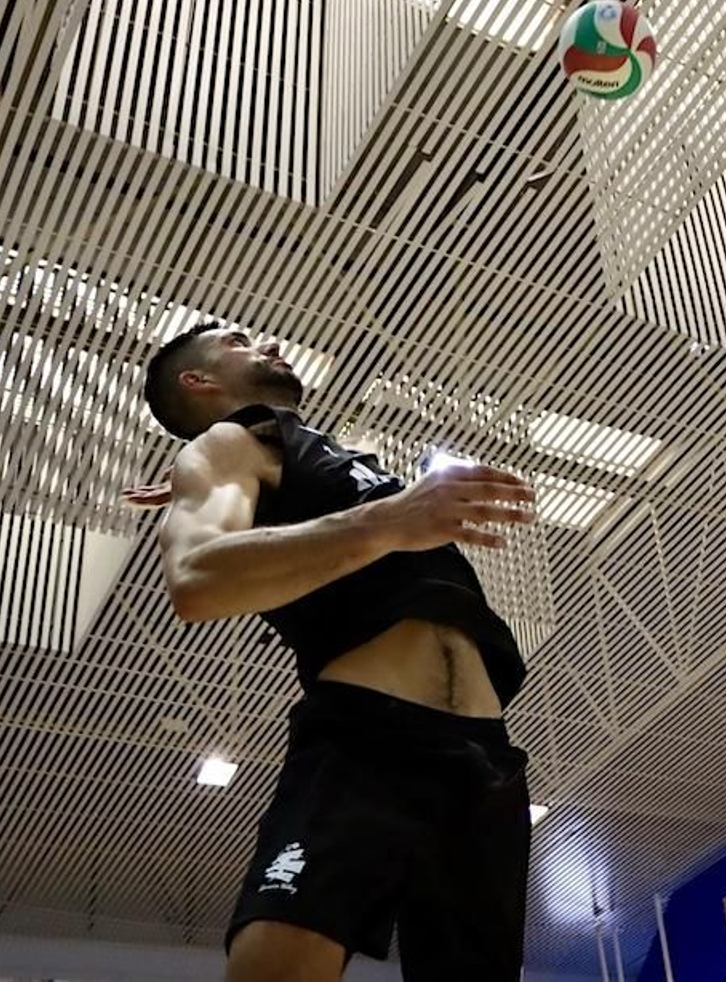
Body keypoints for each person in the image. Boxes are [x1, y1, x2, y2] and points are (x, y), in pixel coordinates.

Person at [134, 323, 538, 982]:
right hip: (367, 736)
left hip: (485, 760)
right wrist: (389, 520)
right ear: (197, 380)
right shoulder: (228, 445)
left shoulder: (324, 459)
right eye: (237, 341)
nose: (266, 343)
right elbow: (195, 578)